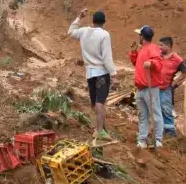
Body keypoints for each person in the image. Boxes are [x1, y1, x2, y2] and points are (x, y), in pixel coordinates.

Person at [68, 8, 119, 140]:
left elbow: (71, 32)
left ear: (93, 21)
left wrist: (79, 17)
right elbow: (107, 57)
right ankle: (100, 131)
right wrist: (113, 75)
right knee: (100, 102)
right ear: (104, 22)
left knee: (95, 102)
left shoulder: (84, 31)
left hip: (90, 74)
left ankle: (101, 129)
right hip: (101, 73)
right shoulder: (104, 35)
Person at [129, 25, 163, 148]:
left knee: (155, 113)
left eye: (139, 35)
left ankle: (158, 140)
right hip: (141, 88)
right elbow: (136, 63)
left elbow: (158, 63)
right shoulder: (142, 49)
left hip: (150, 88)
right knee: (143, 115)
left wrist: (151, 62)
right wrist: (133, 52)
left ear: (142, 36)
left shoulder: (152, 48)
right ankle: (142, 140)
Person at [157, 37, 186, 137]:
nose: (159, 47)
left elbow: (185, 72)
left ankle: (170, 133)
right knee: (157, 110)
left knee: (166, 110)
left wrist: (176, 82)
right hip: (154, 88)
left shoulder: (177, 59)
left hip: (166, 89)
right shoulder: (158, 56)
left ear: (168, 46)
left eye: (161, 45)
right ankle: (160, 132)